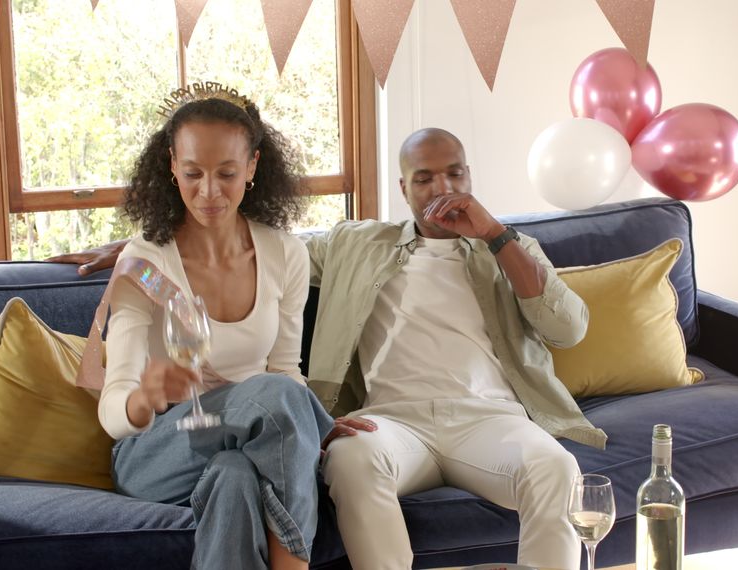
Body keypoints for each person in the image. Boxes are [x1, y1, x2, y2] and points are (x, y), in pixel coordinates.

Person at [52, 128, 606, 570]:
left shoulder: (510, 248)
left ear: (470, 176)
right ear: (403, 187)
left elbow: (569, 328)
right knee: (349, 459)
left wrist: (494, 234)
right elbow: (244, 246)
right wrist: (142, 247)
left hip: (489, 418)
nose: (442, 187)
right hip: (392, 421)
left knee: (556, 469)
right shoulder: (355, 243)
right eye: (424, 177)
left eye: (454, 173)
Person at [92, 86, 333, 570]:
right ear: (171, 166)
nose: (208, 191)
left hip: (250, 441)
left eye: (226, 173)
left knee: (234, 475)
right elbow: (112, 410)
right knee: (281, 398)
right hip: (156, 452)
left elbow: (285, 370)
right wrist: (144, 398)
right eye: (192, 173)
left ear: (252, 167)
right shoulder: (145, 262)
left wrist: (305, 424)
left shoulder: (285, 254)